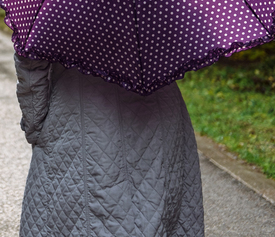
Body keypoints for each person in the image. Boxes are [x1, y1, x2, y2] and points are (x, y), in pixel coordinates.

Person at [15, 53, 204, 237]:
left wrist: (36, 126)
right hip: (159, 103)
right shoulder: (155, 22)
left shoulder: (57, 21)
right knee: (154, 204)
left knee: (88, 212)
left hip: (80, 108)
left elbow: (31, 64)